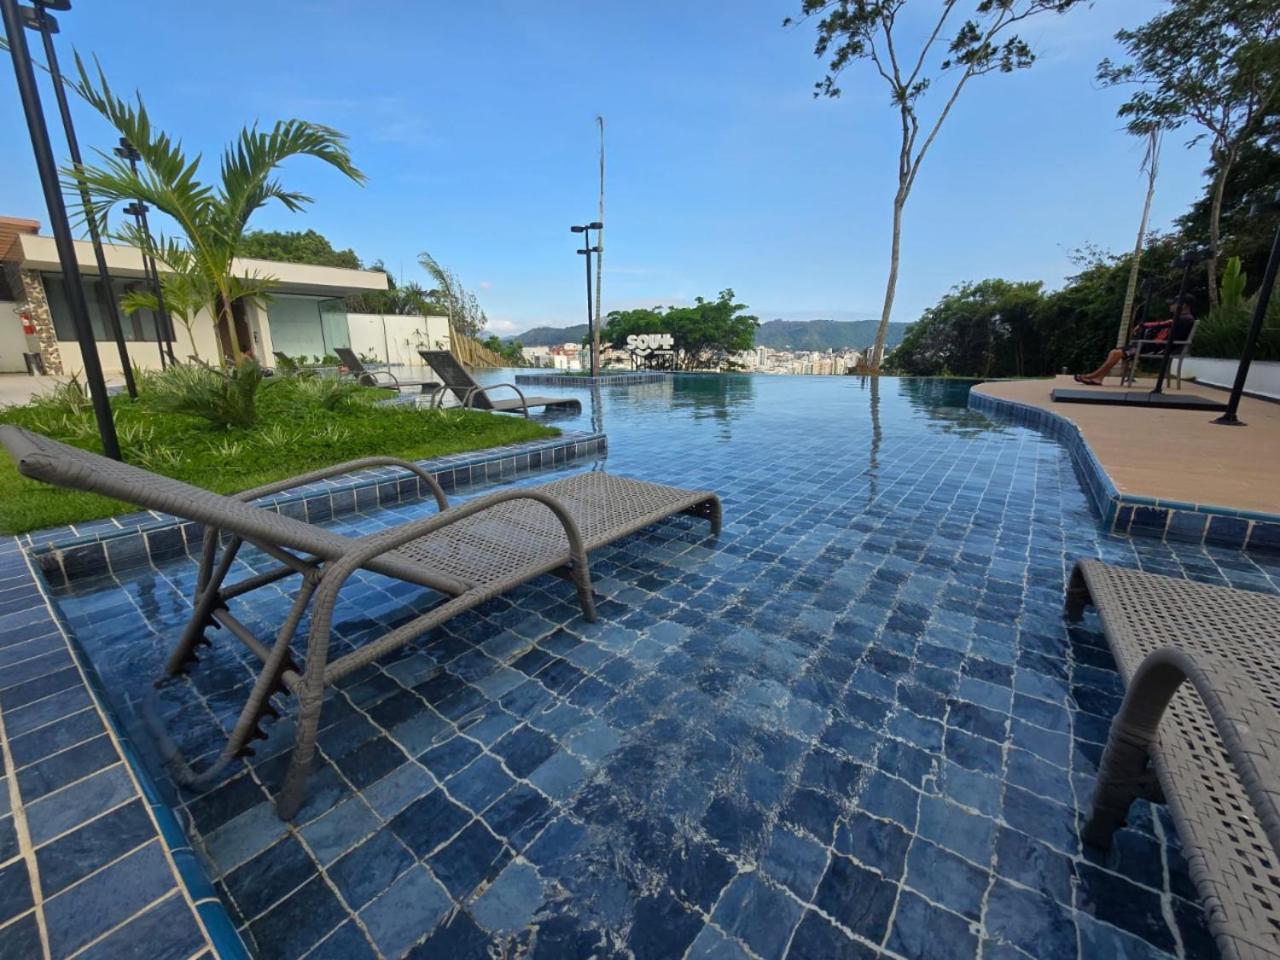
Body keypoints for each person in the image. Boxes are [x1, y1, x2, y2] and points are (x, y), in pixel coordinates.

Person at [1074, 300, 1195, 385]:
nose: (1171, 306)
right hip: (1152, 345)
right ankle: (1098, 378)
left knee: (1116, 353)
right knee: (1114, 352)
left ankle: (1092, 375)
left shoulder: (1185, 319)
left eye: (1173, 303)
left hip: (1158, 348)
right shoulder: (1181, 318)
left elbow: (1162, 325)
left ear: (1184, 305)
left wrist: (1142, 325)